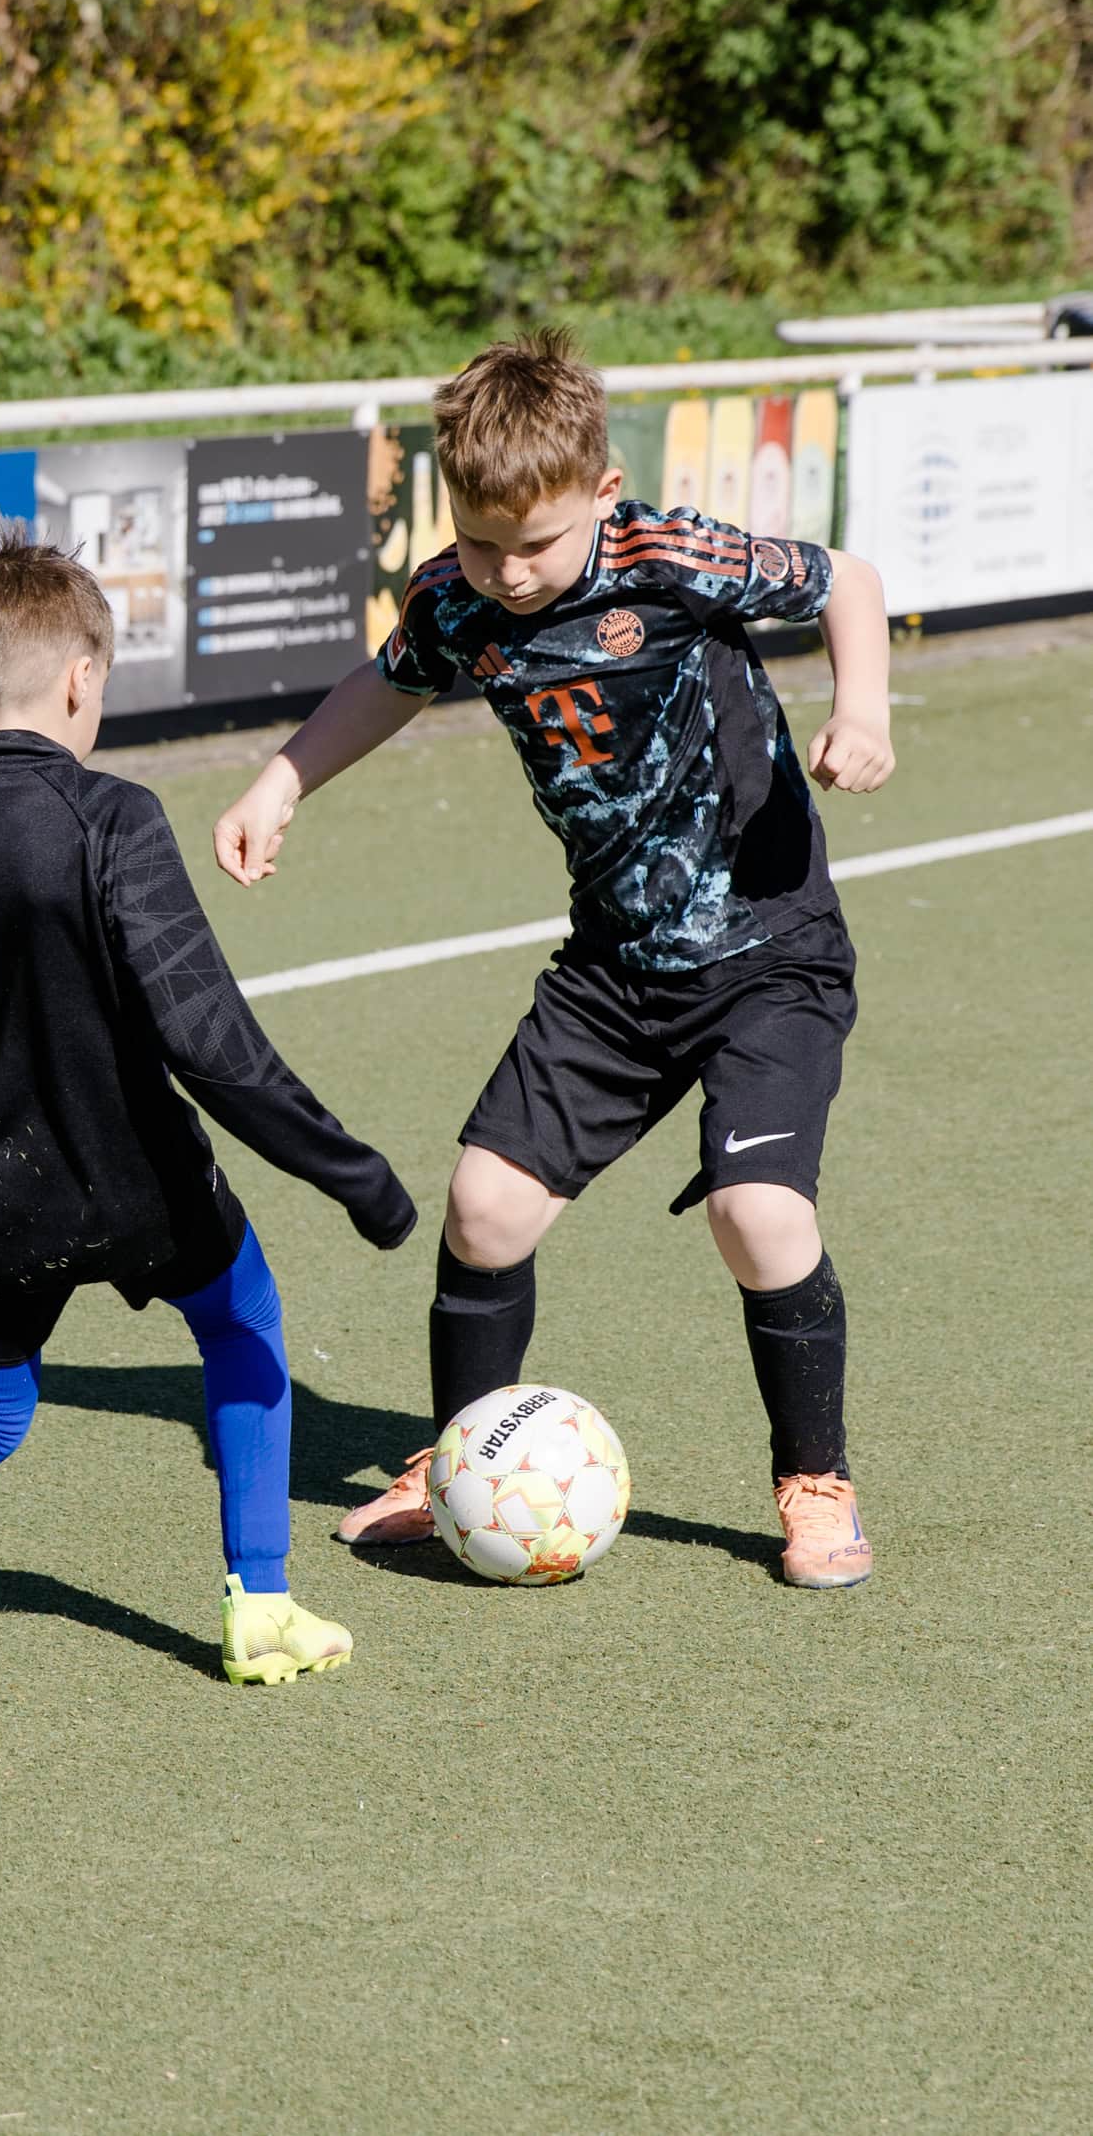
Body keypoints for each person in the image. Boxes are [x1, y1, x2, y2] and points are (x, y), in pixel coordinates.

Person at [213, 329, 894, 1588]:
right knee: (484, 1205)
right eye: (479, 542)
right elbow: (390, 680)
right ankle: (456, 1460)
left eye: (532, 543)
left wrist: (861, 707)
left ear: (601, 491)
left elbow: (845, 579)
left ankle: (815, 1482)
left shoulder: (670, 555)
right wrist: (281, 779)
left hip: (769, 952)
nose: (507, 572)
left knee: (756, 1214)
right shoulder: (454, 595)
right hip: (612, 969)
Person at [0, 528, 415, 1712]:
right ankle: (261, 1608)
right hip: (134, 1176)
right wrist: (349, 1171)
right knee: (241, 1324)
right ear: (79, 681)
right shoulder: (111, 815)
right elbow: (207, 1040)